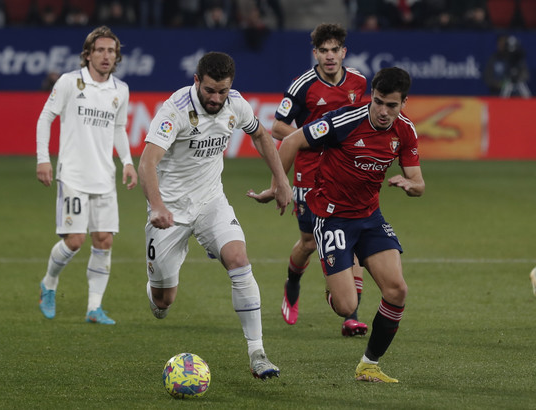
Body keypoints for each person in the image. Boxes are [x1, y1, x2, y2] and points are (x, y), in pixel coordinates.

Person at [257, 67, 424, 383]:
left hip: (370, 217)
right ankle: (336, 275)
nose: (384, 111)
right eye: (378, 102)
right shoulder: (343, 121)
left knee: (397, 290)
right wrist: (280, 186)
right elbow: (291, 141)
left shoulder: (405, 131)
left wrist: (410, 185)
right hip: (331, 217)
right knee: (346, 305)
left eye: (392, 105)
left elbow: (419, 182)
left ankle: (369, 365)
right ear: (371, 96)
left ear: (404, 102)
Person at [138, 51, 292, 379]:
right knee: (164, 302)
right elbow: (147, 163)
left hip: (211, 203)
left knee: (238, 258)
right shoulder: (174, 111)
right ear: (197, 81)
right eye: (210, 90)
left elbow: (262, 136)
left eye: (223, 91)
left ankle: (257, 353)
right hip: (170, 212)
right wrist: (158, 207)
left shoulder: (236, 104)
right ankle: (155, 290)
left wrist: (281, 181)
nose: (217, 98)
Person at [247, 23, 368, 336]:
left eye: (334, 50)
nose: (329, 56)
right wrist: (318, 137)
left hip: (345, 173)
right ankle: (293, 282)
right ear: (315, 53)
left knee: (349, 235)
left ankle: (350, 314)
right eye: (323, 51)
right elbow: (277, 128)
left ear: (344, 52)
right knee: (309, 242)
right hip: (309, 173)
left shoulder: (358, 81)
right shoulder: (303, 85)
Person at [36, 26, 138, 325]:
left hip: (104, 177)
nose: (106, 56)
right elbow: (46, 118)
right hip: (74, 176)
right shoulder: (70, 82)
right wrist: (44, 159)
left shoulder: (120, 90)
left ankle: (94, 308)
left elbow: (119, 129)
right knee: (75, 240)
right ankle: (49, 284)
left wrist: (128, 162)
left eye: (111, 51)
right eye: (101, 50)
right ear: (88, 54)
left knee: (104, 240)